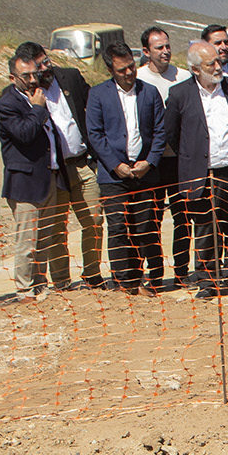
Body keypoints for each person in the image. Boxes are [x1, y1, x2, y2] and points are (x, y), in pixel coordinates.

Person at [163, 41, 228, 298]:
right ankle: (208, 281)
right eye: (210, 64)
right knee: (205, 229)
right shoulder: (180, 94)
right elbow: (172, 133)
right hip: (202, 175)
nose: (218, 67)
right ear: (194, 69)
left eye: (218, 61)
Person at [0, 43, 86, 295]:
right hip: (25, 183)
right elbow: (24, 134)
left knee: (44, 238)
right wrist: (37, 109)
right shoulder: (8, 103)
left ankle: (39, 284)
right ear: (12, 78)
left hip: (50, 177)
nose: (31, 79)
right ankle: (25, 289)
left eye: (34, 74)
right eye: (25, 76)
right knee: (27, 240)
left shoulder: (38, 95)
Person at [85, 43, 165, 295]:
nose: (129, 73)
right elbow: (95, 135)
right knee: (118, 227)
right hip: (114, 176)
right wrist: (115, 165)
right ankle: (123, 280)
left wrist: (149, 161)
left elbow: (160, 132)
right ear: (110, 69)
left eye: (131, 66)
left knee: (145, 226)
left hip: (145, 173)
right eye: (122, 70)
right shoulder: (98, 95)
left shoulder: (150, 93)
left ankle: (145, 278)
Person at [29, 44, 109, 288]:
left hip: (83, 164)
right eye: (39, 65)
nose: (46, 68)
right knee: (57, 229)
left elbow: (94, 107)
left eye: (47, 61)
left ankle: (93, 275)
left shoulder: (70, 77)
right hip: (55, 172)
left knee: (94, 221)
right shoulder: (26, 93)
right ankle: (62, 281)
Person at [136, 25, 191, 288]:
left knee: (183, 217)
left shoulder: (183, 76)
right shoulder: (138, 79)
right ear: (146, 51)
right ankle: (155, 273)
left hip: (180, 160)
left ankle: (182, 272)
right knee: (152, 218)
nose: (165, 51)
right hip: (152, 161)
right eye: (159, 47)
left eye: (168, 46)